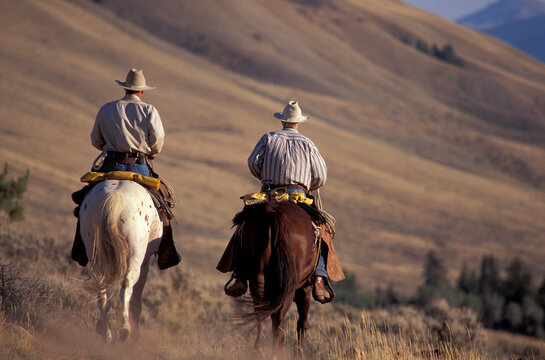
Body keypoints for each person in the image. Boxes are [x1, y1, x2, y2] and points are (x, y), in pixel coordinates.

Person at [217, 100, 344, 303]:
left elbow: (253, 163)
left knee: (243, 225)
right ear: (299, 123)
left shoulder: (268, 138)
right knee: (321, 230)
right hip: (299, 195)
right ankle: (319, 279)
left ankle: (240, 276)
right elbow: (321, 175)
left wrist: (265, 176)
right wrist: (308, 184)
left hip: (269, 193)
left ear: (282, 121)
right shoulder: (308, 143)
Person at [70, 68, 181, 270]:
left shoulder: (106, 109)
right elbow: (158, 141)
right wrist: (152, 151)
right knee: (163, 204)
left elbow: (96, 140)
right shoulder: (149, 110)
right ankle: (167, 252)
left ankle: (80, 248)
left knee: (85, 201)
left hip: (109, 166)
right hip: (139, 167)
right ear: (141, 92)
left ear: (124, 88)